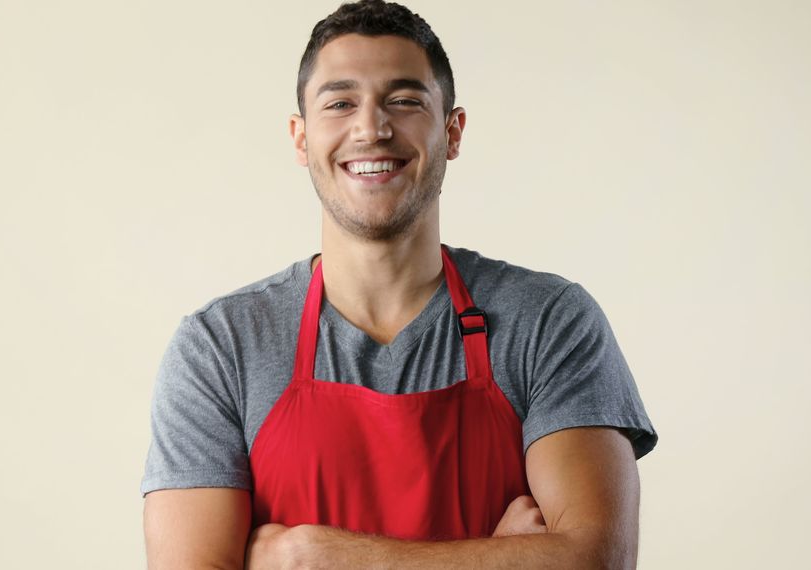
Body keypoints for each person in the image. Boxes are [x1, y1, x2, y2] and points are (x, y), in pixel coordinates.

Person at [140, 0, 658, 567]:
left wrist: (314, 555)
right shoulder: (221, 348)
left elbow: (597, 561)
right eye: (340, 103)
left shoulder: (548, 320)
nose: (372, 128)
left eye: (405, 100)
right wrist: (499, 556)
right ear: (300, 137)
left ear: (452, 131)